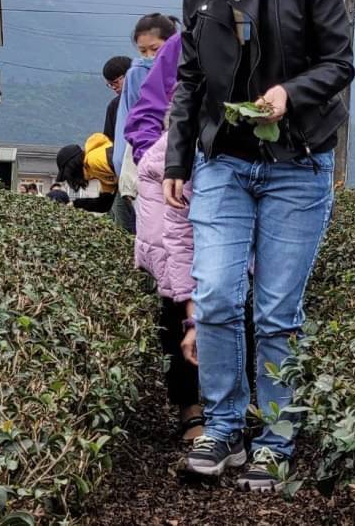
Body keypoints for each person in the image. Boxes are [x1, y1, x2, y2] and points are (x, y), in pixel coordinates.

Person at [162, 0, 354, 491]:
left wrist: (288, 94)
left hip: (297, 163)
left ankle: (275, 436)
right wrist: (178, 160)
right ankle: (221, 427)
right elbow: (190, 77)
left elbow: (339, 62)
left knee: (276, 310)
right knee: (215, 294)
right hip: (223, 160)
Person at [129, 31, 204, 441]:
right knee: (177, 298)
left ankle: (226, 403)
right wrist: (154, 155)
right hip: (173, 171)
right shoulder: (183, 43)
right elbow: (145, 112)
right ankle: (188, 406)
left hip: (221, 173)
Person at [110, 15, 180, 235]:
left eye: (155, 49)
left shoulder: (188, 68)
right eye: (143, 51)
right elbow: (132, 121)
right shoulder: (137, 72)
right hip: (146, 156)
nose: (150, 57)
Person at [56, 133, 118, 213]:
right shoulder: (98, 174)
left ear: (73, 168)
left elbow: (124, 167)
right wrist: (75, 204)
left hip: (135, 179)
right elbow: (104, 204)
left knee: (120, 207)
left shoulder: (94, 160)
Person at [102, 56, 132, 142]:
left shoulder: (149, 99)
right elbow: (109, 139)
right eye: (110, 84)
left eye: (115, 82)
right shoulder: (114, 106)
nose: (114, 87)